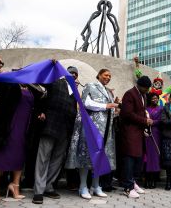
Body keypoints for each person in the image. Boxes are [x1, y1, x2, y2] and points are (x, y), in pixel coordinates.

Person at [0, 58, 44, 204]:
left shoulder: (31, 88)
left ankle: (15, 186)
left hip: (24, 127)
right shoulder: (9, 83)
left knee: (18, 156)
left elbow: (39, 100)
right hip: (7, 124)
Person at [66, 69, 118, 199]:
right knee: (87, 156)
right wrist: (106, 105)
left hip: (105, 129)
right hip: (91, 127)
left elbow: (109, 109)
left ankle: (96, 186)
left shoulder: (108, 92)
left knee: (100, 157)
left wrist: (114, 107)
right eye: (106, 75)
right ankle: (83, 186)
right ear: (99, 75)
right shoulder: (90, 85)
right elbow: (86, 103)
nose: (108, 77)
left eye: (110, 76)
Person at [32, 66, 78, 204]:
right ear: (65, 74)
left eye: (76, 74)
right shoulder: (55, 82)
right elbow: (39, 86)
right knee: (43, 158)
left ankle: (49, 186)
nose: (74, 75)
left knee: (57, 160)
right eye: (71, 73)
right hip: (50, 125)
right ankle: (38, 191)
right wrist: (51, 66)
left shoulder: (75, 91)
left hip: (65, 130)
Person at [119, 76, 153, 198]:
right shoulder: (130, 94)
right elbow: (127, 114)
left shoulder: (143, 95)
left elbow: (141, 111)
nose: (147, 90)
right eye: (146, 88)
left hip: (138, 132)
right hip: (129, 132)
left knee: (138, 159)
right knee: (130, 159)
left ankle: (133, 183)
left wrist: (145, 119)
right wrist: (145, 120)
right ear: (140, 85)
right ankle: (127, 188)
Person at [144, 93, 163, 189]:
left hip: (156, 134)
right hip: (146, 135)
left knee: (155, 157)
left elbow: (162, 120)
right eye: (153, 98)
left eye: (157, 98)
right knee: (147, 156)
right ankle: (147, 180)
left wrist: (154, 122)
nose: (155, 100)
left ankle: (154, 180)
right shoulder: (146, 109)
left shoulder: (161, 109)